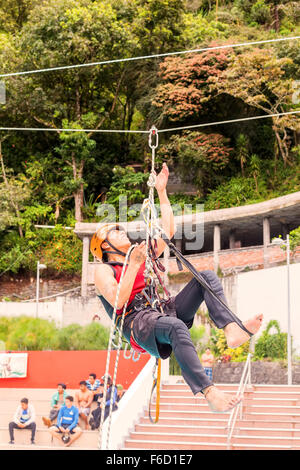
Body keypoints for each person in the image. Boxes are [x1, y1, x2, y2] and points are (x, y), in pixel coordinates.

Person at [92, 162, 263, 413]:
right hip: (137, 324)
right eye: (116, 234)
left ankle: (231, 330)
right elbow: (118, 302)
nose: (123, 234)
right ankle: (209, 391)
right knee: (176, 326)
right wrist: (133, 266)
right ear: (106, 247)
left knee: (205, 276)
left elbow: (168, 231)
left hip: (159, 312)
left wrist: (162, 191)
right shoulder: (104, 270)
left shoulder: (141, 255)